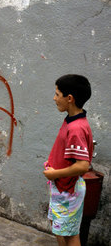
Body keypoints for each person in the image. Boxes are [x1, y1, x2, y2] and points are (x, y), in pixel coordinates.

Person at [43, 74, 93, 246]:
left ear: (69, 98)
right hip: (62, 188)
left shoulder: (76, 128)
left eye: (57, 94)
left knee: (70, 235)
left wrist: (54, 173)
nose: (54, 98)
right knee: (60, 229)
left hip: (68, 191)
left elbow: (83, 165)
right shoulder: (73, 121)